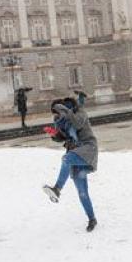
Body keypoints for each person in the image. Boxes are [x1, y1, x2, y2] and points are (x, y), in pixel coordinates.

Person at [43, 97, 99, 232]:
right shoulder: (63, 120)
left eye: (58, 112)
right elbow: (63, 137)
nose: (57, 115)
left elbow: (78, 124)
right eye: (55, 113)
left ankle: (57, 189)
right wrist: (55, 133)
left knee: (66, 159)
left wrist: (65, 112)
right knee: (82, 193)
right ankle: (92, 219)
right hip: (76, 155)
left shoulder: (80, 114)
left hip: (87, 149)